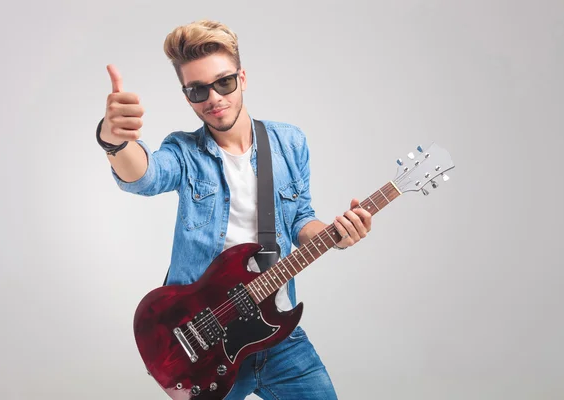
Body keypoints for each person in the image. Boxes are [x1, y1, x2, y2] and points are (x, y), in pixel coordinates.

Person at [96, 19, 372, 399]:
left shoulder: (289, 143)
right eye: (197, 90)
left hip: (277, 333)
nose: (213, 98)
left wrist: (335, 236)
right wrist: (114, 142)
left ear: (242, 78)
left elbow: (301, 220)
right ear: (186, 95)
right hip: (204, 339)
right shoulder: (184, 151)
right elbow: (145, 176)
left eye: (223, 82)